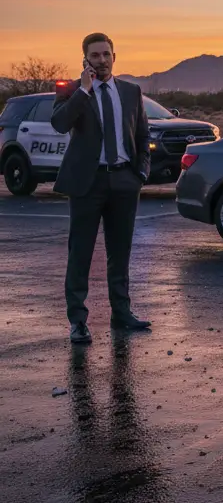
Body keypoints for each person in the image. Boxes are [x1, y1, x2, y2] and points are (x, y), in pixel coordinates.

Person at [51, 33, 152, 343]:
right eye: (95, 55)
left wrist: (140, 174)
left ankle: (121, 313)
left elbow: (142, 134)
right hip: (87, 181)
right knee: (80, 253)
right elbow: (59, 123)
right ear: (86, 59)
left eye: (106, 54)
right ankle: (78, 321)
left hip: (124, 180)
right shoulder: (71, 91)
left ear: (114, 56)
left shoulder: (131, 92)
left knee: (120, 252)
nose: (102, 60)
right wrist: (83, 90)